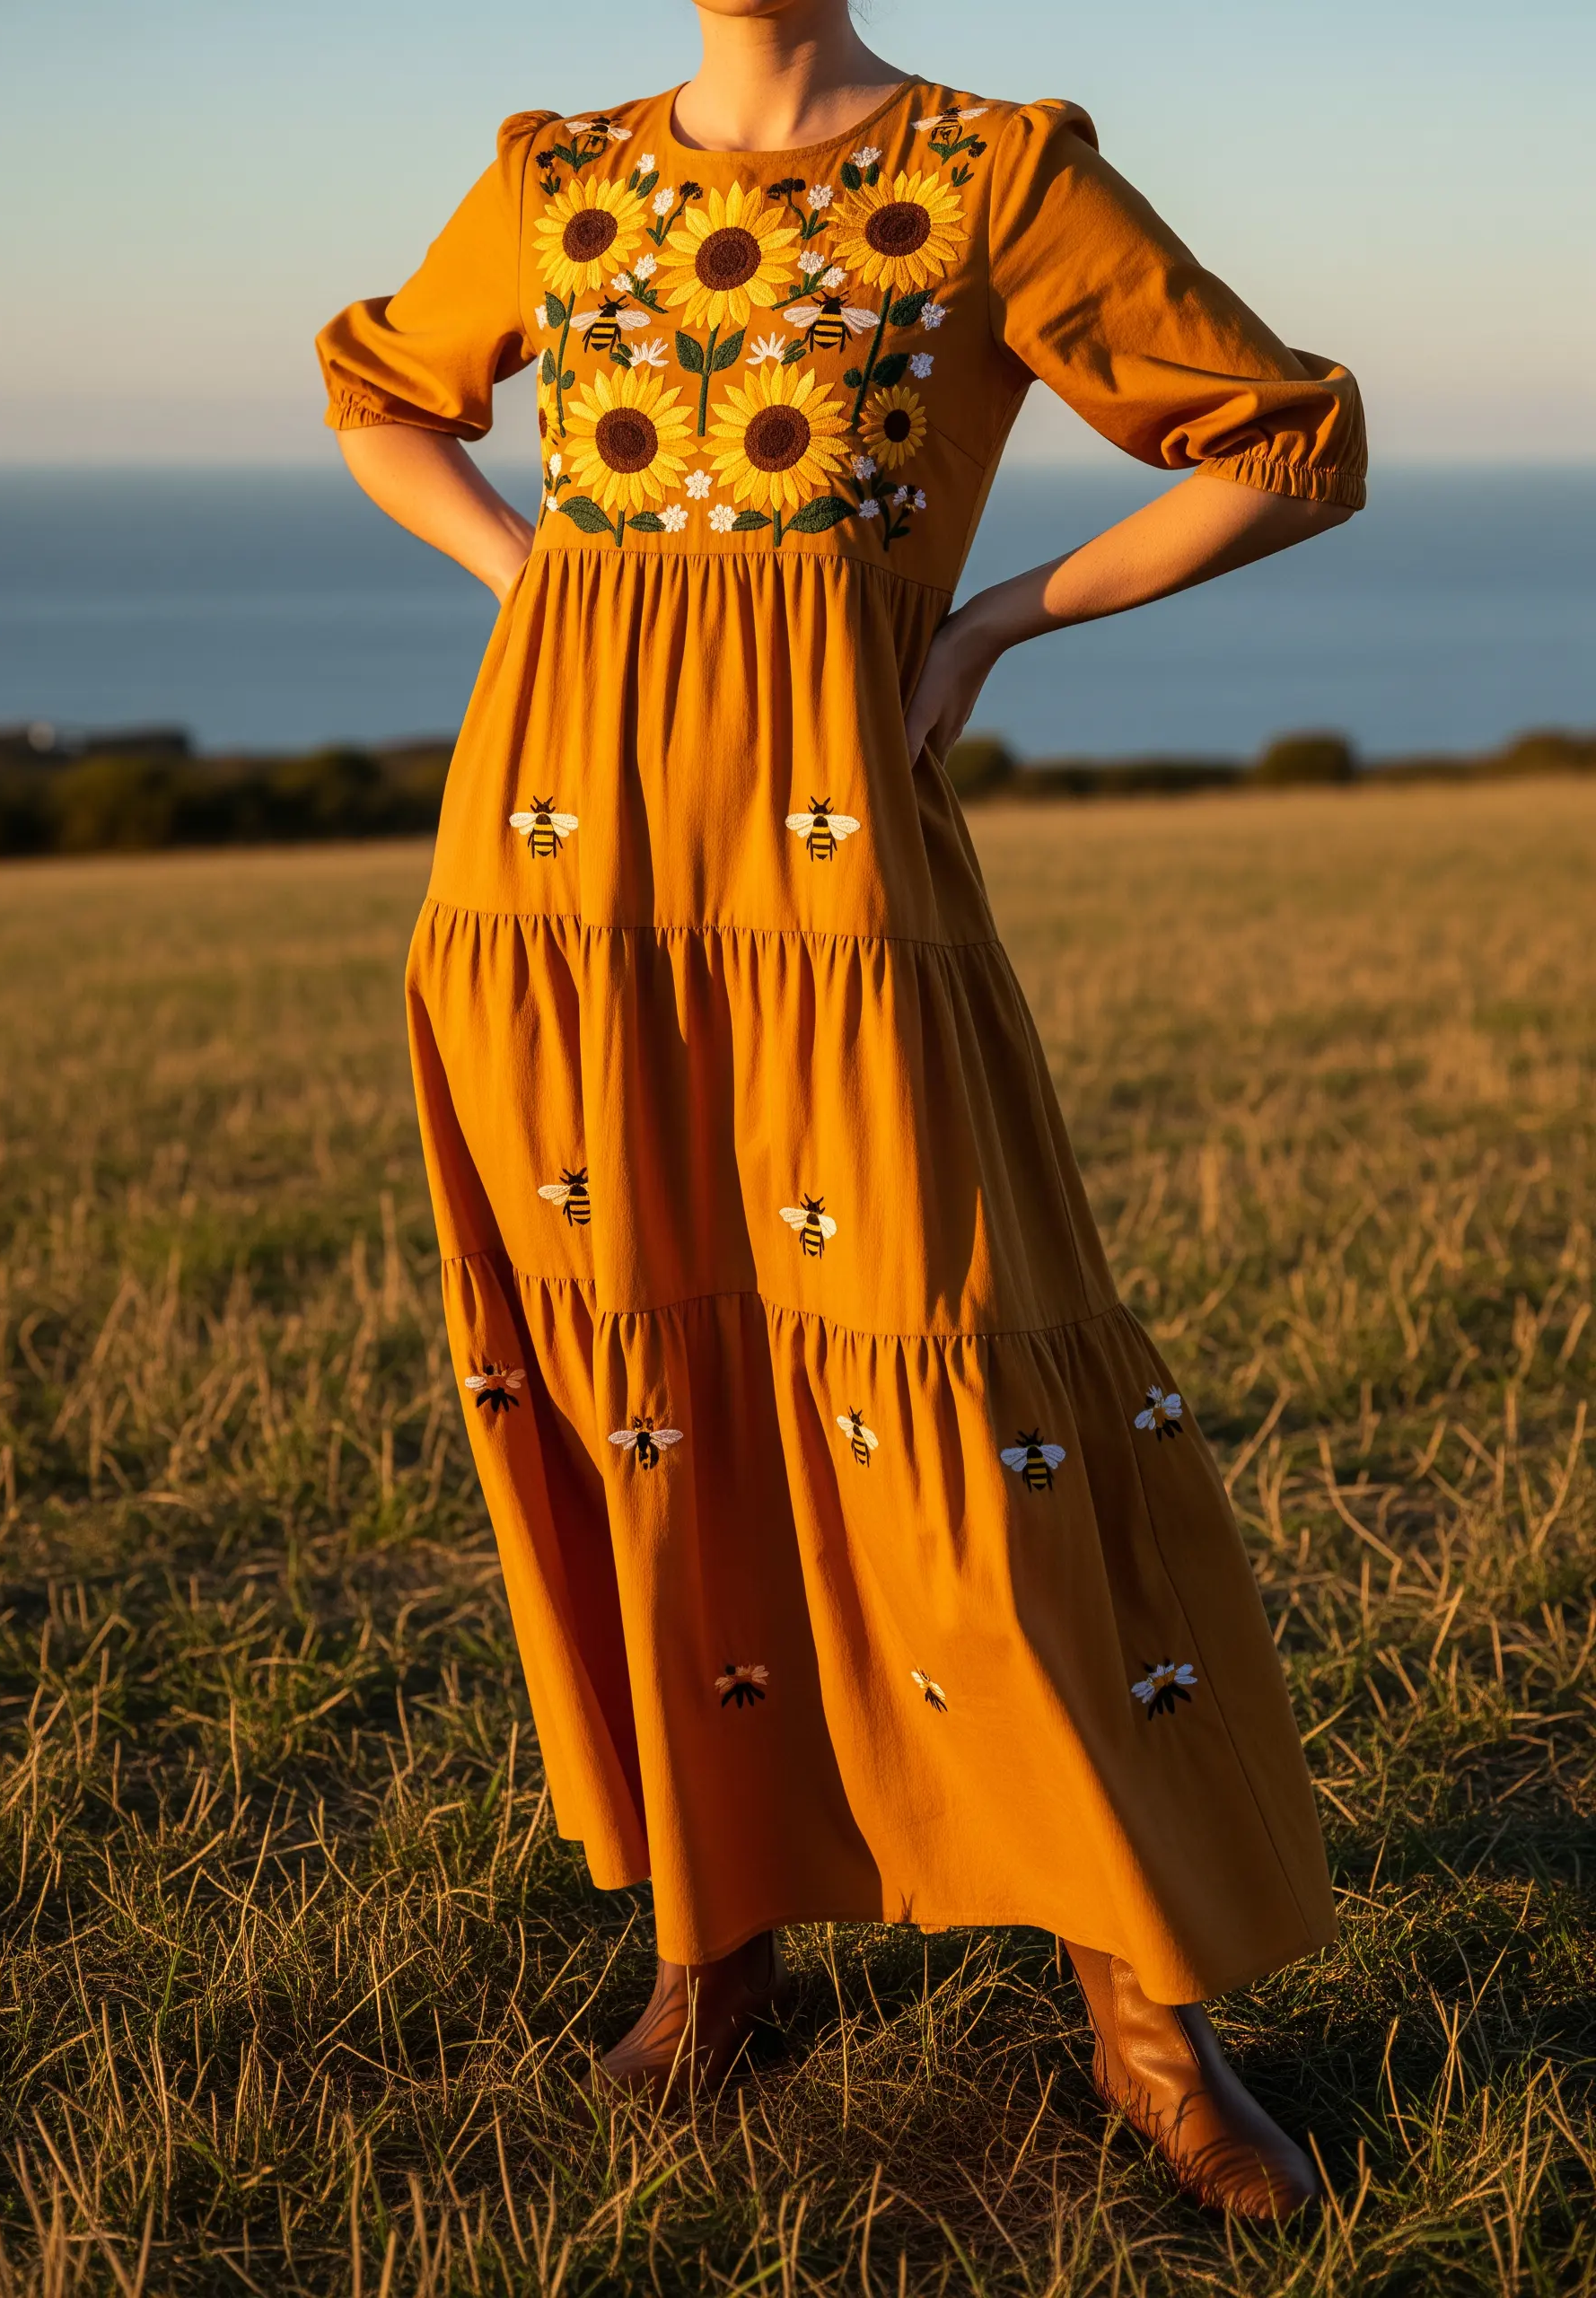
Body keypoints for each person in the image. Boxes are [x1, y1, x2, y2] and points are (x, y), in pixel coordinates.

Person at [317, 0, 1364, 2220]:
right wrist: (548, 591)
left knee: (956, 1352)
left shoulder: (993, 172)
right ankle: (717, 1939)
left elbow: (1283, 441)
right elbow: (381, 396)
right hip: (552, 868)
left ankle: (1137, 2010)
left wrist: (983, 629)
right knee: (646, 1376)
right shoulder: (555, 175)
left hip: (831, 870)